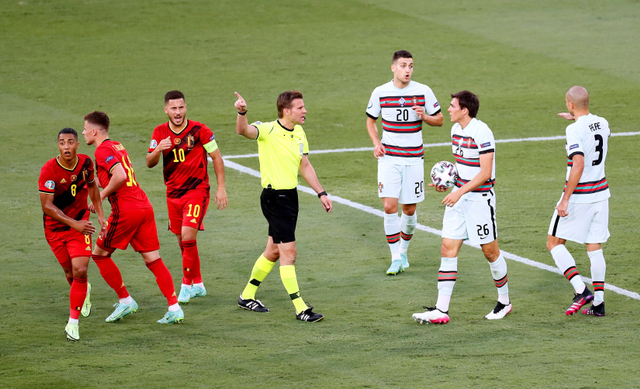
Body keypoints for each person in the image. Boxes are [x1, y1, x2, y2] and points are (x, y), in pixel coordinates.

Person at [412, 90, 512, 324]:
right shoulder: (455, 130)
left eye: (452, 105)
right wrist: (447, 184)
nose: (448, 109)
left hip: (479, 200)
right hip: (460, 198)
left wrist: (459, 191)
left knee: (490, 252)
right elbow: (462, 167)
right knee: (448, 248)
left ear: (464, 110)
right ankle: (441, 310)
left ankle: (504, 302)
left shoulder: (482, 132)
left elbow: (485, 173)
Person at [233, 91, 333, 322]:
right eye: (300, 108)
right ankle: (300, 308)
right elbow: (243, 130)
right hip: (274, 198)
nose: (305, 111)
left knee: (274, 251)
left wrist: (321, 192)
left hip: (290, 198)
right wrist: (242, 112)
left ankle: (246, 296)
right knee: (290, 253)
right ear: (287, 111)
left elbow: (305, 165)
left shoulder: (299, 132)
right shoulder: (267, 130)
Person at [82, 111, 184, 324]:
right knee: (153, 259)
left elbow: (119, 177)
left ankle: (125, 300)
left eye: (84, 129)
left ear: (94, 131)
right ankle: (174, 308)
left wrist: (99, 197)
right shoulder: (117, 146)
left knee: (99, 255)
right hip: (143, 206)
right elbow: (114, 177)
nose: (83, 133)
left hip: (126, 210)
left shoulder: (102, 151)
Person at [366, 50, 443, 275]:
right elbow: (371, 121)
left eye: (410, 66)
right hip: (389, 158)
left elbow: (439, 120)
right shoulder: (380, 92)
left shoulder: (423, 91)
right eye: (403, 65)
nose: (407, 70)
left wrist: (424, 117)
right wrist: (376, 142)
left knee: (408, 210)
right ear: (393, 68)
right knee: (390, 207)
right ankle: (395, 258)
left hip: (413, 159)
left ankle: (403, 250)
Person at [146, 90, 227, 304]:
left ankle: (185, 286)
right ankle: (198, 283)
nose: (178, 112)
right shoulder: (160, 132)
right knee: (183, 241)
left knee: (189, 237)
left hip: (197, 191)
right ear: (166, 110)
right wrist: (158, 150)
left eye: (181, 107)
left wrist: (221, 188)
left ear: (186, 107)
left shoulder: (200, 130)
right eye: (173, 108)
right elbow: (149, 162)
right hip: (172, 194)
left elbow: (216, 157)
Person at [546, 86, 610, 317]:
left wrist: (565, 199)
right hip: (601, 194)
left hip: (580, 197)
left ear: (570, 104)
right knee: (594, 247)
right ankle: (599, 305)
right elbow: (592, 132)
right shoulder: (603, 122)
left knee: (554, 242)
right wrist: (575, 118)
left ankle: (581, 290)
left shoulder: (573, 130)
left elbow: (579, 164)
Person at [39, 128, 106, 341]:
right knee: (70, 274)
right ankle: (83, 290)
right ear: (58, 146)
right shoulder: (49, 171)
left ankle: (72, 324)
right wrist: (73, 224)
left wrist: (101, 216)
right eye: (62, 143)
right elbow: (47, 207)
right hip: (55, 230)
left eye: (70, 142)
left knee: (80, 269)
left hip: (80, 225)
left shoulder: (86, 164)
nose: (66, 147)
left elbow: (93, 187)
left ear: (77, 144)